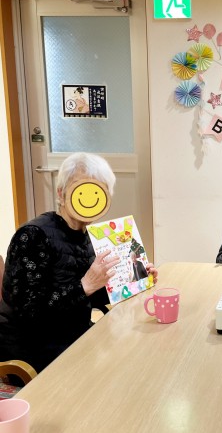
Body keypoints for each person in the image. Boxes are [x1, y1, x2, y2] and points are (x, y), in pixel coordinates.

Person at [0, 152, 158, 373]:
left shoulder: (88, 236)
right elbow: (30, 314)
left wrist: (135, 278)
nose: (90, 198)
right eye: (81, 189)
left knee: (140, 353)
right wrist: (85, 285)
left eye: (98, 191)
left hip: (73, 335)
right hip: (34, 347)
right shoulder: (33, 236)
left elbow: (91, 296)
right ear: (61, 193)